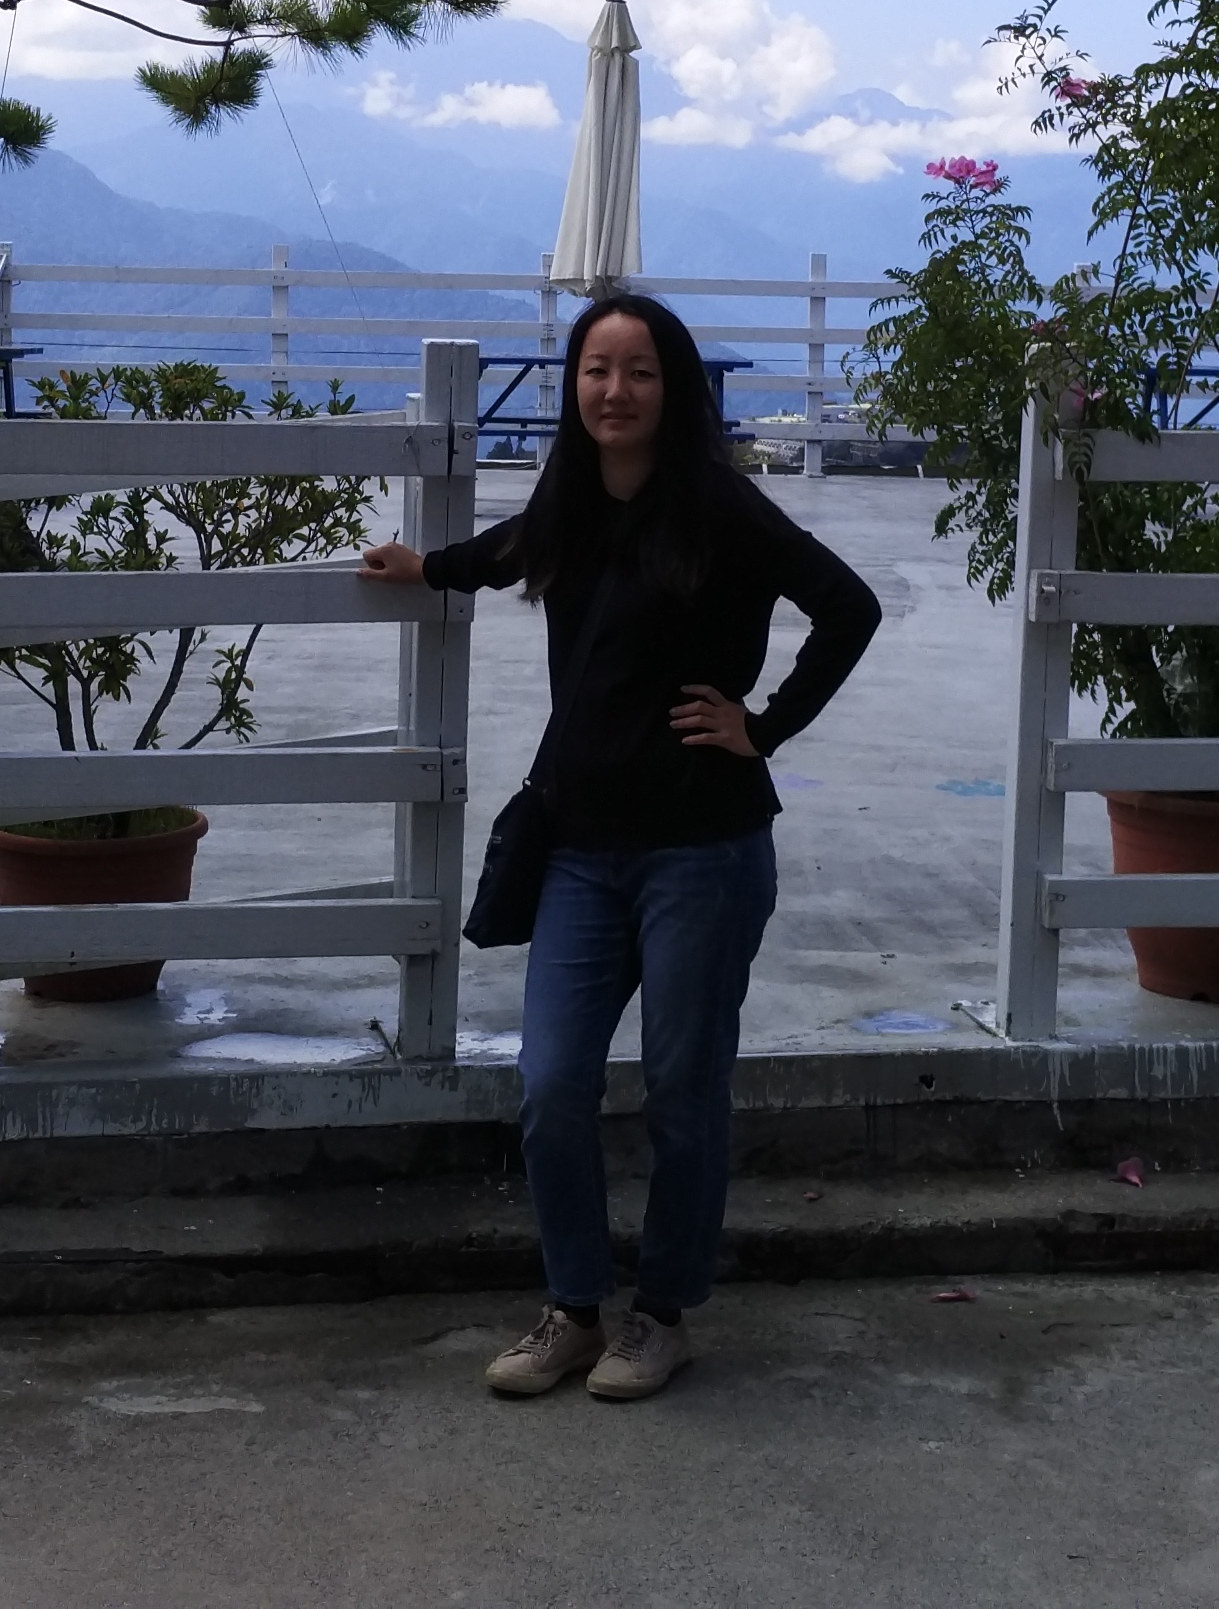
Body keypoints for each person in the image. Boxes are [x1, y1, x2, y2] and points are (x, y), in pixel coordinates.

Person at [357, 292, 881, 1403]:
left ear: (672, 388)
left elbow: (850, 607)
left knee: (684, 1091)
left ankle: (662, 1316)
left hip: (704, 849)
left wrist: (763, 725)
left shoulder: (721, 505)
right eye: (596, 370)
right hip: (580, 850)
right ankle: (574, 1308)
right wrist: (427, 568)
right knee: (551, 1083)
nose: (614, 391)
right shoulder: (572, 495)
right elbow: (507, 549)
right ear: (574, 387)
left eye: (639, 371)